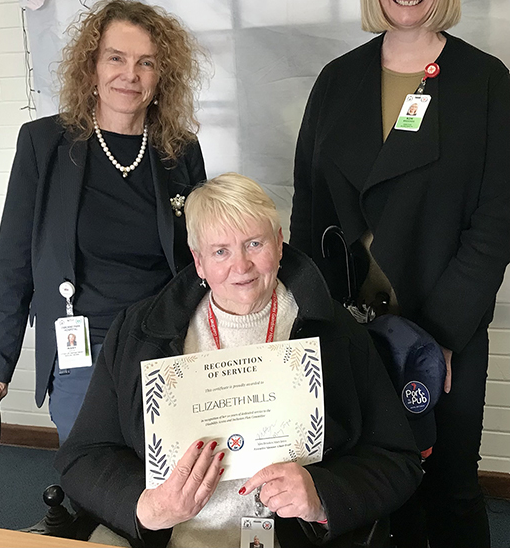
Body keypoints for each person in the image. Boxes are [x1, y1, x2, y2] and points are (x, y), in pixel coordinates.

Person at [290, 0, 510, 548]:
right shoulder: (337, 80)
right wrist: (306, 321)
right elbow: (309, 210)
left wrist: (437, 333)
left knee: (449, 486)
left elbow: (497, 223)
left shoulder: (485, 81)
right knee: (366, 486)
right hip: (348, 329)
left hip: (445, 332)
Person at [55, 173, 421, 548]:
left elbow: (398, 461)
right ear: (198, 262)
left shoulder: (336, 333)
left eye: (255, 243)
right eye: (220, 251)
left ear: (279, 244)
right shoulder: (139, 334)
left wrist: (321, 496)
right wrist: (145, 507)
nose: (241, 265)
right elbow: (82, 456)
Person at [0, 0, 207, 443]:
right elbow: (13, 265)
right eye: (116, 58)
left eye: (147, 63)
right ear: (91, 70)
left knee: (168, 482)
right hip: (80, 354)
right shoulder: (43, 143)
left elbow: (202, 256)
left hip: (164, 347)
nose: (131, 74)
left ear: (162, 78)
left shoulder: (180, 150)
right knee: (92, 486)